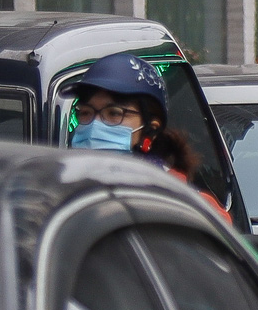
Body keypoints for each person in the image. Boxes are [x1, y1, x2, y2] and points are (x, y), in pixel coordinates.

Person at [68, 52, 225, 215]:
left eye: (114, 114)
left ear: (151, 129)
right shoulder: (61, 198)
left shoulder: (193, 208)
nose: (94, 125)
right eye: (85, 113)